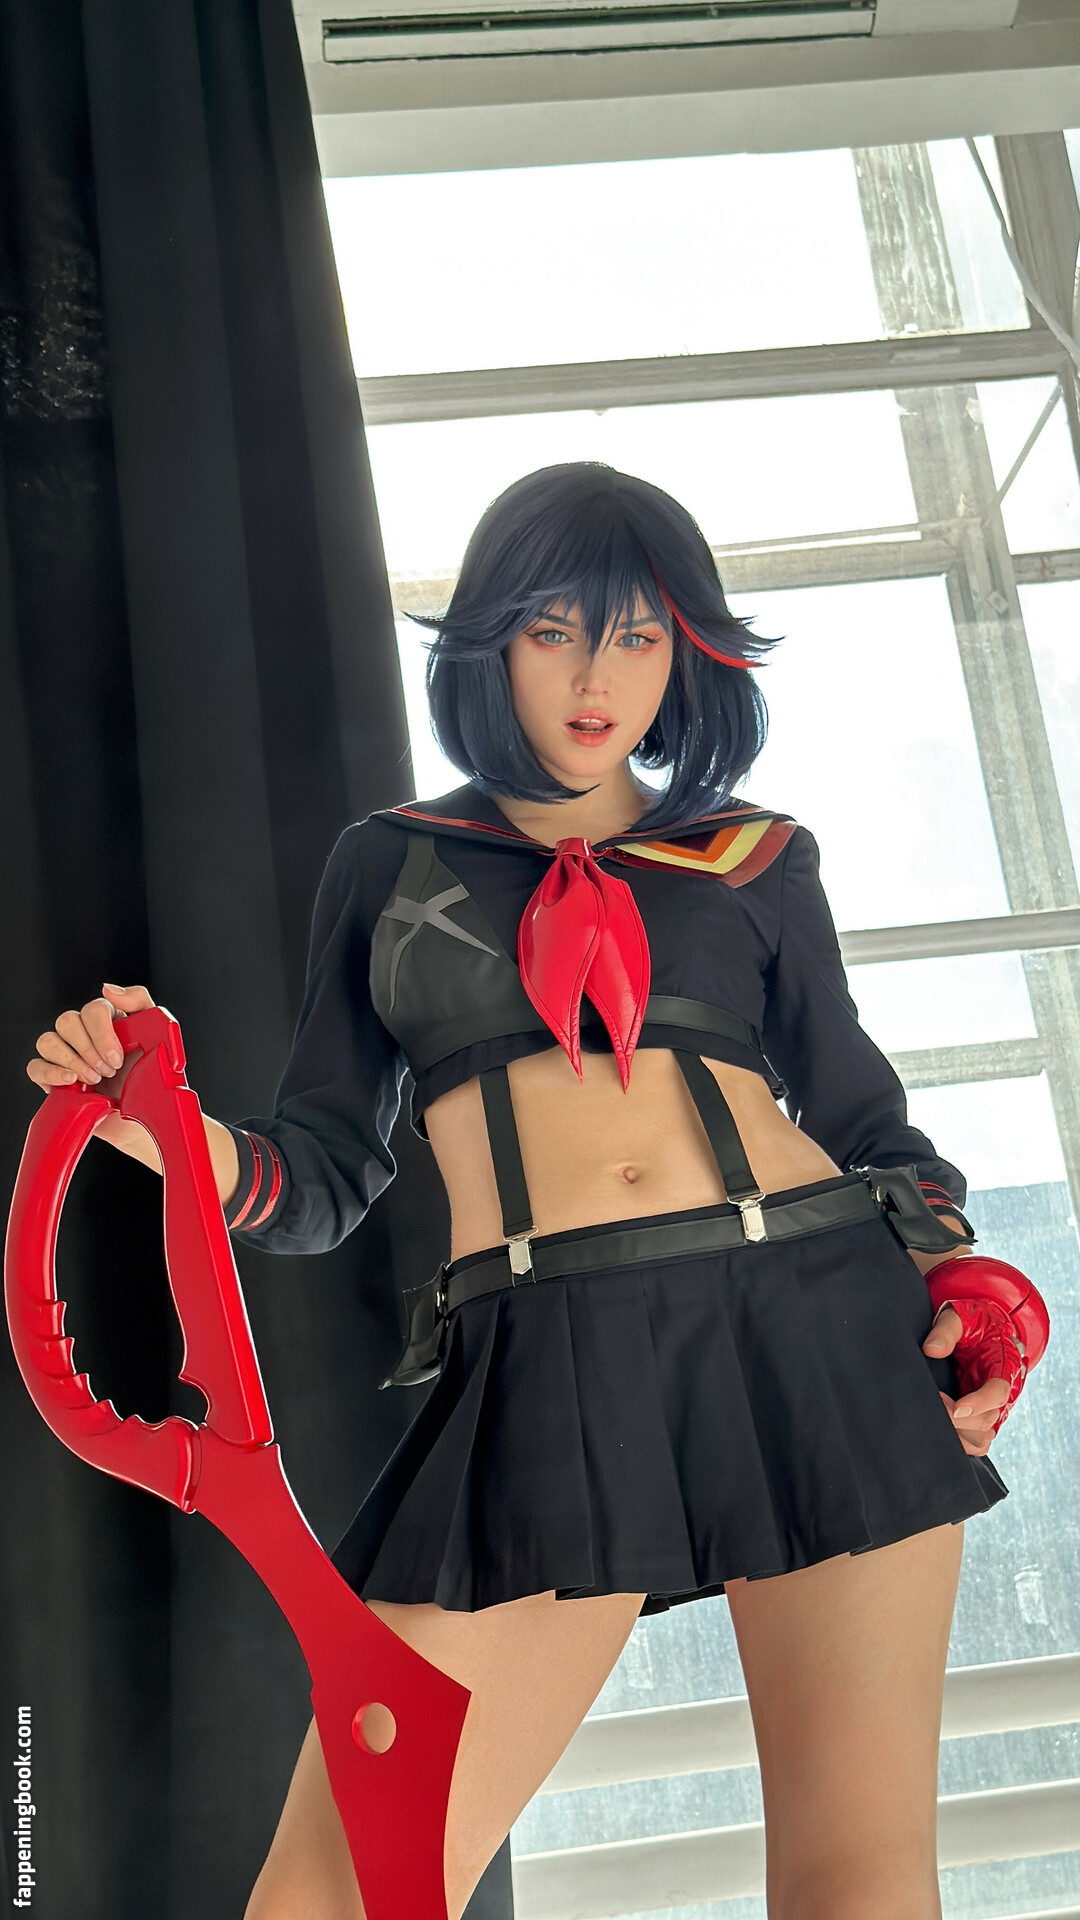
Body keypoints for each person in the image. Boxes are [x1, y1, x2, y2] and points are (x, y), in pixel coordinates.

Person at [29, 463, 1022, 1920]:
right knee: (330, 1895)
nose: (596, 678)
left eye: (638, 636)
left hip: (815, 1320)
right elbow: (321, 1174)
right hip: (548, 1355)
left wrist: (966, 1293)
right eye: (556, 631)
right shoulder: (390, 863)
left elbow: (872, 1126)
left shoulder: (752, 859)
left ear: (687, 652)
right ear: (491, 641)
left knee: (857, 1887)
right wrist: (158, 1125)